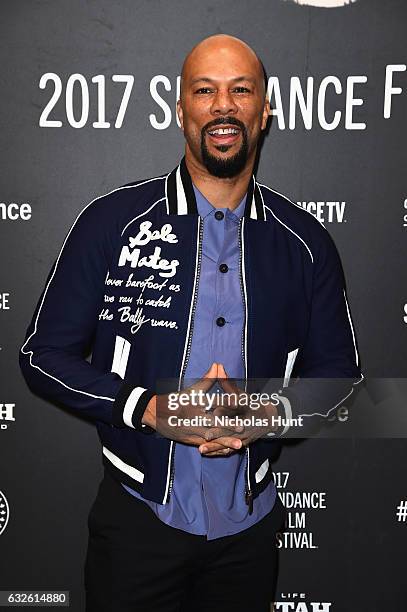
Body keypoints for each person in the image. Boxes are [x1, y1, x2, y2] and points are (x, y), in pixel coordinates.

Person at [19, 33, 363, 612]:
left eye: (240, 90)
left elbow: (340, 377)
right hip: (136, 527)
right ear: (181, 110)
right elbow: (40, 356)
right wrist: (148, 409)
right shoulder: (112, 223)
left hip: (248, 536)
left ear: (265, 109)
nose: (222, 106)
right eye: (205, 90)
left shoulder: (306, 244)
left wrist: (266, 415)